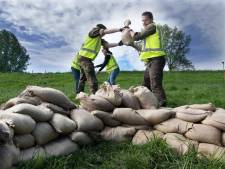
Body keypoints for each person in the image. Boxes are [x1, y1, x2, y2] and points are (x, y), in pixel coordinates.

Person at [130, 11, 167, 107]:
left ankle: (162, 104)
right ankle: (146, 101)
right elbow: (141, 44)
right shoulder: (147, 31)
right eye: (142, 20)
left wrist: (130, 31)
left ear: (151, 19)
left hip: (157, 59)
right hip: (151, 61)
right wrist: (131, 43)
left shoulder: (152, 27)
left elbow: (138, 37)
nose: (143, 22)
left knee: (155, 83)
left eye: (145, 20)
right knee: (146, 83)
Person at [77, 24, 123, 94]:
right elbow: (106, 31)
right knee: (92, 79)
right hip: (85, 58)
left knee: (83, 78)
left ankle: (79, 94)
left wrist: (118, 44)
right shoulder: (93, 32)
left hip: (82, 58)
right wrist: (119, 29)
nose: (104, 35)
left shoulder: (99, 39)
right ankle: (95, 96)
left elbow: (108, 45)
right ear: (100, 29)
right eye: (103, 33)